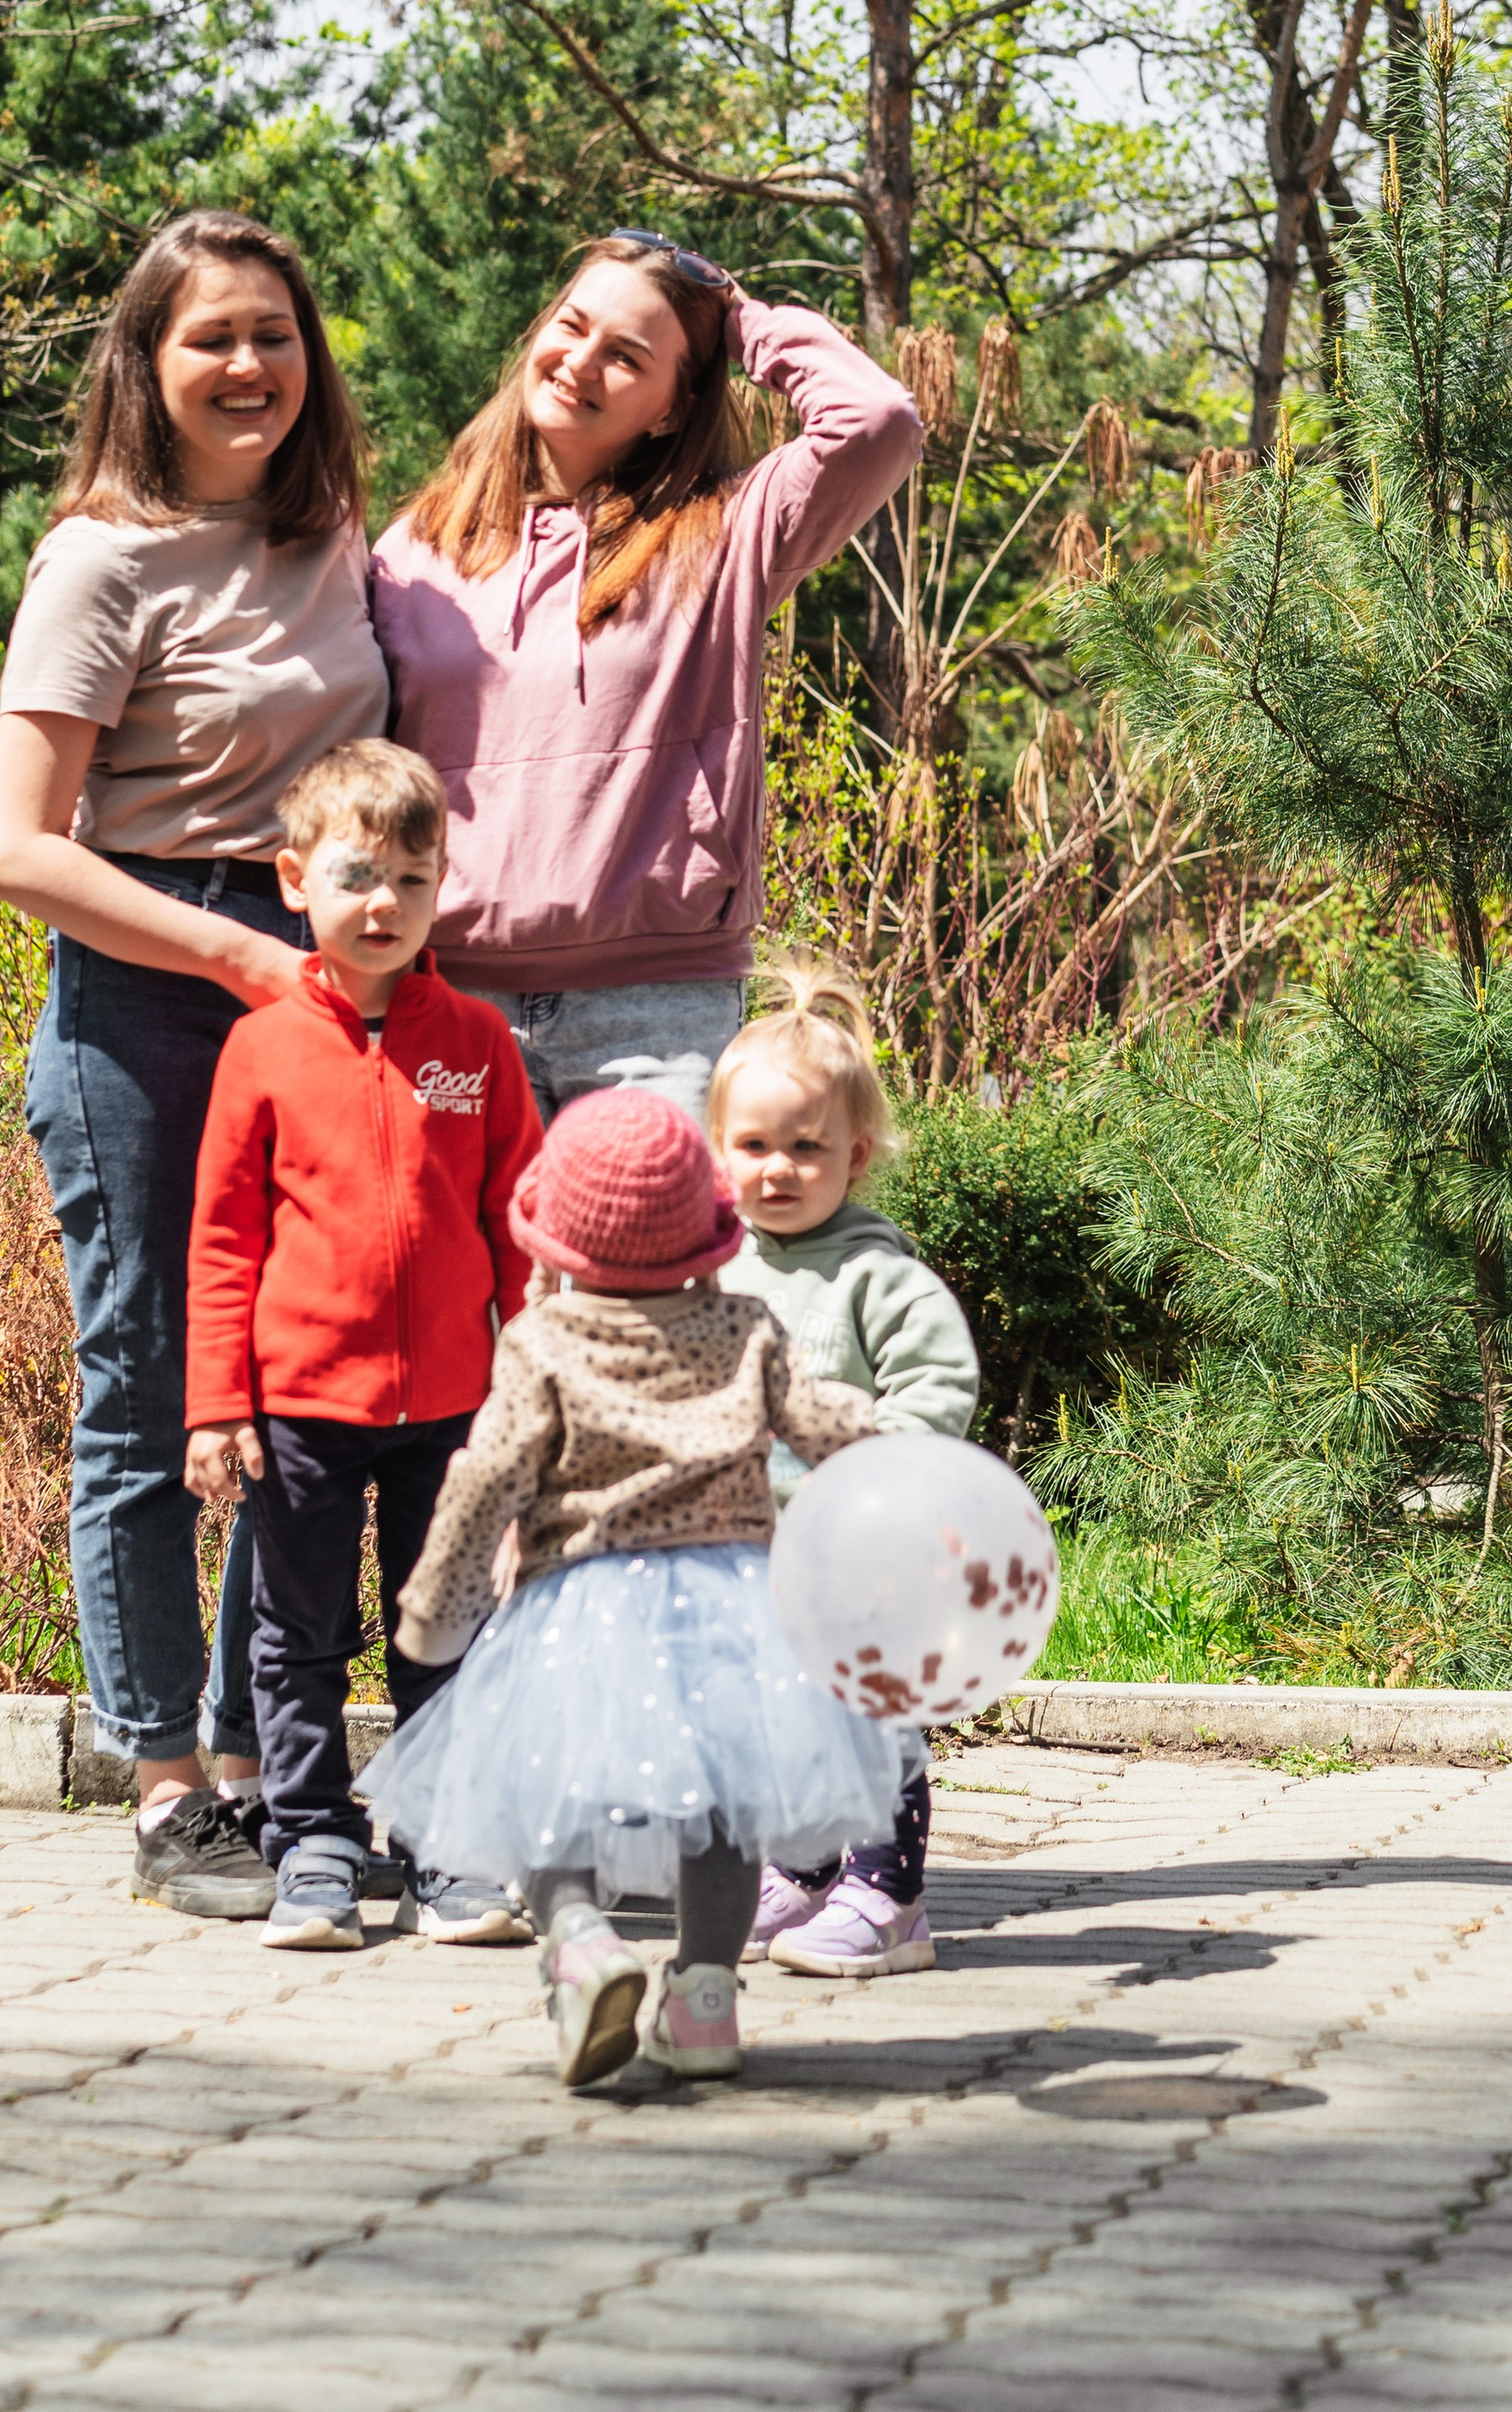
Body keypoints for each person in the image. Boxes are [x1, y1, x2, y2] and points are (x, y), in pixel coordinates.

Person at [0, 210, 389, 1923]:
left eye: (275, 337)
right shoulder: (100, 561)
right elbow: (14, 849)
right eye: (212, 337)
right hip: (147, 1001)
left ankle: (259, 1757)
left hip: (306, 997)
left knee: (292, 1396)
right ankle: (164, 1789)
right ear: (146, 363)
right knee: (149, 1388)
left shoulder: (336, 538)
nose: (248, 367)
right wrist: (228, 948)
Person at [359, 1087, 914, 2091]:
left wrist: (435, 1612)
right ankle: (703, 2000)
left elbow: (488, 1477)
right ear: (705, 1232)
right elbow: (824, 1421)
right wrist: (899, 1462)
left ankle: (580, 1945)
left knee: (544, 1792)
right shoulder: (746, 1327)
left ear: (559, 1240)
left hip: (583, 1603)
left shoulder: (543, 1342)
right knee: (724, 1814)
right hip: (738, 1608)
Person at [370, 233, 921, 1124]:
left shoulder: (727, 528)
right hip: (449, 995)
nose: (581, 362)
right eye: (572, 325)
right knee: (462, 1268)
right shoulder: (416, 548)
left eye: (627, 356)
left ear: (672, 407)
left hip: (653, 1013)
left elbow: (877, 419)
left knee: (641, 1269)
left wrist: (737, 319)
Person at [182, 739, 543, 1951]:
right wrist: (214, 1405)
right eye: (354, 877)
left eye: (410, 878)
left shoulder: (479, 1045)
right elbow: (224, 1241)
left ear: (444, 885)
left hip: (452, 1408)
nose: (382, 904)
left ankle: (444, 1851)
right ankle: (314, 1847)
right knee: (299, 1639)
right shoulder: (263, 1048)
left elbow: (521, 1231)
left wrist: (532, 1387)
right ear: (297, 885)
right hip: (300, 1410)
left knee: (442, 1630)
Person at [710, 960, 980, 1981]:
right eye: (754, 1147)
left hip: (866, 1542)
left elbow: (937, 1374)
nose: (777, 1169)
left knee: (873, 1712)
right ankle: (805, 1864)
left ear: (855, 1155)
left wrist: (886, 1464)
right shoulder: (719, 1262)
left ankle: (886, 1891)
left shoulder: (875, 1266)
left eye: (805, 1148)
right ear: (719, 1151)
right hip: (754, 1539)